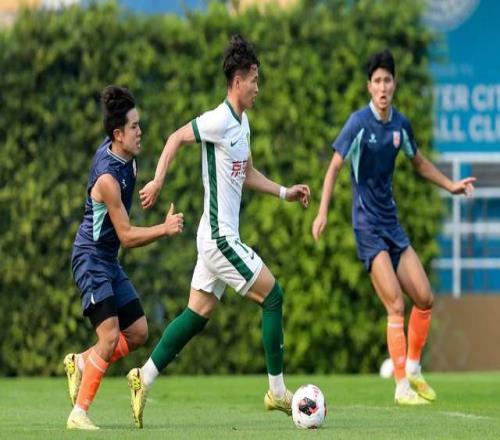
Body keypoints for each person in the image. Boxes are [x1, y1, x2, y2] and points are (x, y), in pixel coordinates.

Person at [126, 34, 310, 428]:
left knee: (197, 314)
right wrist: (157, 180)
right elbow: (176, 137)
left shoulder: (243, 123)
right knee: (273, 295)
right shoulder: (218, 120)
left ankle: (143, 377)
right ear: (237, 81)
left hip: (217, 239)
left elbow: (247, 174)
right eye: (254, 80)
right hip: (219, 238)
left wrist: (285, 192)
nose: (258, 88)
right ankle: (277, 392)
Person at [312, 50, 475, 405]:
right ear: (369, 87)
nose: (383, 87)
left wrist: (450, 185)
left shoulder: (400, 125)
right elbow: (334, 167)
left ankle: (413, 369)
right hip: (367, 228)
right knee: (396, 305)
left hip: (392, 226)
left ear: (394, 84)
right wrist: (322, 212)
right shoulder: (358, 124)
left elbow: (419, 163)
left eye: (388, 80)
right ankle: (401, 387)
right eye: (377, 81)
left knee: (425, 298)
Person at [64, 85, 184, 430]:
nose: (140, 131)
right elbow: (128, 237)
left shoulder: (129, 159)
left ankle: (82, 363)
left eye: (138, 124)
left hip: (108, 260)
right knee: (109, 337)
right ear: (117, 135)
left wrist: (153, 186)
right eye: (134, 126)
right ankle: (78, 413)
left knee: (138, 332)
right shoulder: (107, 178)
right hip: (90, 260)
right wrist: (164, 228)